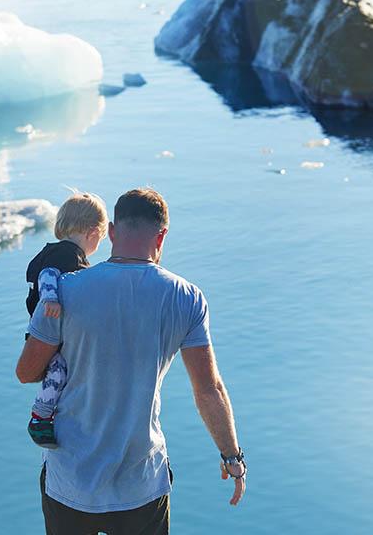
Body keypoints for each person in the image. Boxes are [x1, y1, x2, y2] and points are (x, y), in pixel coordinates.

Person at [17, 188, 245, 535]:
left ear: (111, 231)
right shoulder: (186, 297)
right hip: (141, 485)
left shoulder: (65, 289)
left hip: (70, 481)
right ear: (162, 235)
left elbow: (27, 372)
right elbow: (208, 389)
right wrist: (232, 457)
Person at [24, 191, 109, 448]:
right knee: (59, 371)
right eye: (100, 238)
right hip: (48, 331)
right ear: (93, 232)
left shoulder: (51, 251)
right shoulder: (68, 255)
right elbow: (48, 275)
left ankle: (47, 414)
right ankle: (40, 417)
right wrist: (50, 298)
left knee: (59, 372)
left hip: (45, 329)